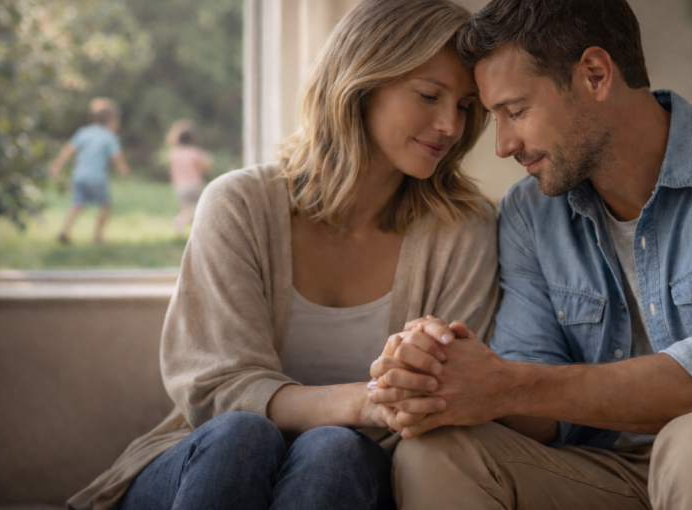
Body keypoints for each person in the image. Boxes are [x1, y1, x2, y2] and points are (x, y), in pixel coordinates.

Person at [67, 0, 499, 509]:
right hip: (213, 465)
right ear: (359, 84)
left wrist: (396, 402)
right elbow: (218, 390)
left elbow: (447, 394)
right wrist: (367, 402)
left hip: (349, 476)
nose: (450, 124)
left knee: (334, 449)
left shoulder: (463, 230)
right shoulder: (239, 205)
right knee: (241, 436)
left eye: (466, 105)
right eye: (429, 95)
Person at [368, 0, 692, 509]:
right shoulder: (530, 213)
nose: (502, 144)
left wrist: (507, 385)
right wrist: (442, 375)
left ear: (594, 74)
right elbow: (536, 404)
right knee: (437, 452)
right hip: (611, 469)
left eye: (516, 111)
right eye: (493, 117)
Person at [49, 98, 130, 244]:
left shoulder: (84, 132)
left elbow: (68, 150)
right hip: (96, 177)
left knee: (78, 204)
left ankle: (64, 231)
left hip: (79, 175)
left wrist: (57, 165)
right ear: (111, 120)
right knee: (106, 205)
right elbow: (117, 158)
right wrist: (123, 170)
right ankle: (97, 235)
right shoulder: (109, 137)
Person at [165, 120, 212, 236]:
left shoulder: (173, 153)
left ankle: (184, 226)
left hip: (180, 187)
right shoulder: (195, 152)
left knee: (186, 210)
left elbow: (172, 170)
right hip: (194, 184)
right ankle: (181, 223)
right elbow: (206, 165)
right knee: (201, 209)